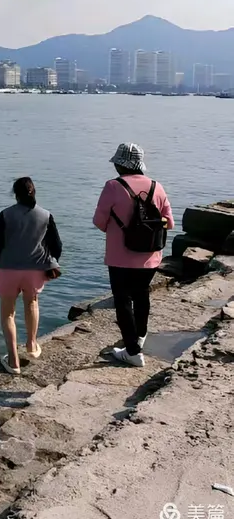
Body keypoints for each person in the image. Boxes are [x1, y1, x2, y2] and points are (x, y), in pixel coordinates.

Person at [93, 142, 173, 368]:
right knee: (142, 295)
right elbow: (170, 223)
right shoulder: (157, 187)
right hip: (151, 255)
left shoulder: (112, 187)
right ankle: (140, 337)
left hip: (120, 257)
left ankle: (132, 351)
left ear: (119, 164)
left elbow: (99, 222)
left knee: (123, 300)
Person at [0, 177, 63, 375]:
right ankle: (32, 345)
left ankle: (14, 360)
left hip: (8, 270)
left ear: (15, 193)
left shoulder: (6, 215)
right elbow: (57, 246)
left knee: (8, 313)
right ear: (34, 191)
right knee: (32, 304)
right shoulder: (46, 215)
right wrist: (49, 261)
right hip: (34, 270)